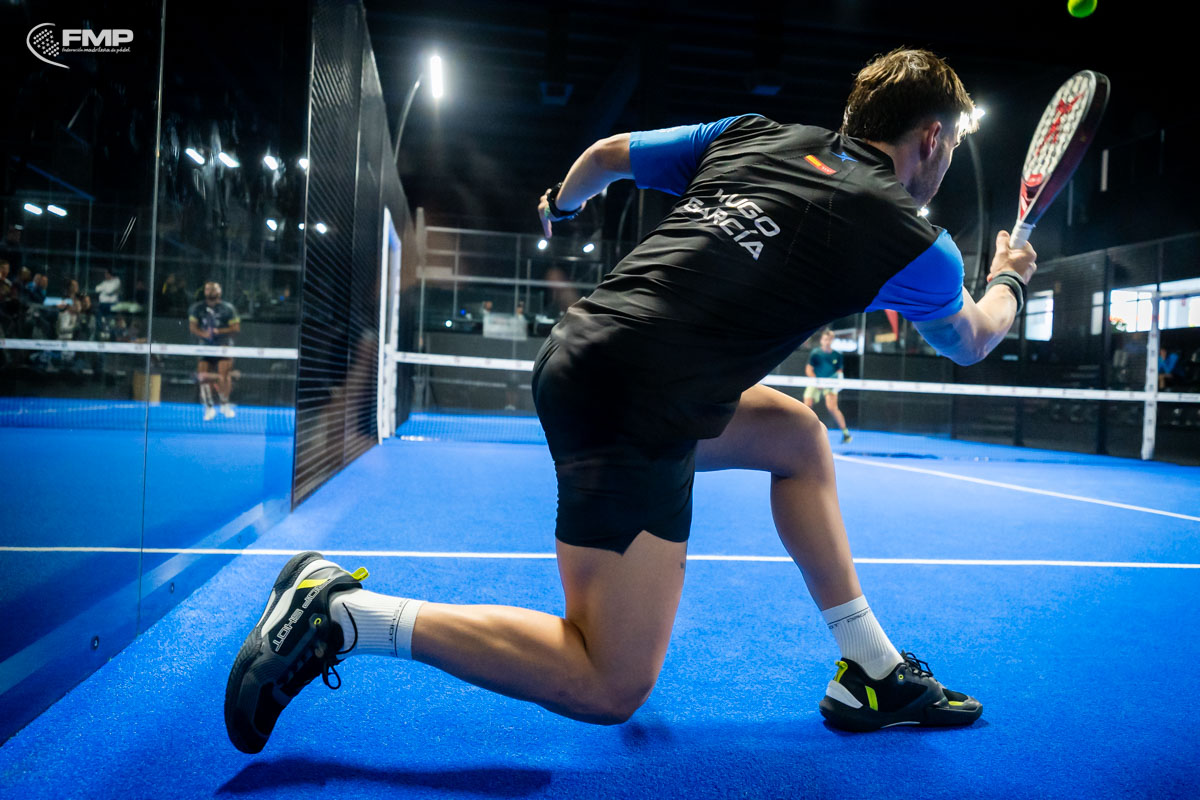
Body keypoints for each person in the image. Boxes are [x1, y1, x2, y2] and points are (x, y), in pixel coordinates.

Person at [225, 48, 1038, 753]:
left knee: (795, 440)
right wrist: (1009, 277)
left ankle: (871, 669)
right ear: (932, 139)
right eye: (953, 144)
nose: (947, 157)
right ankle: (345, 615)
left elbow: (608, 154)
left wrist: (562, 203)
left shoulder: (753, 133)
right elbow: (972, 338)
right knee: (608, 683)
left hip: (582, 349)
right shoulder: (911, 238)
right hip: (639, 399)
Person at [188, 281, 241, 421]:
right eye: (208, 289)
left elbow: (236, 328)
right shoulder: (197, 308)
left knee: (224, 376)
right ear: (205, 291)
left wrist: (219, 331)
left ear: (219, 291)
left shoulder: (228, 308)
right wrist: (204, 334)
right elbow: (193, 327)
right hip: (205, 347)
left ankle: (224, 404)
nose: (211, 291)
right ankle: (209, 408)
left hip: (224, 346)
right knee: (203, 376)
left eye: (214, 289)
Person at [805, 328, 852, 443]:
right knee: (806, 405)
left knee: (832, 407)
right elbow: (809, 370)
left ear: (832, 341)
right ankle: (804, 431)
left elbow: (839, 372)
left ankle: (846, 434)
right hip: (816, 381)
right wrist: (817, 382)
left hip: (831, 383)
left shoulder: (837, 355)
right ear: (821, 340)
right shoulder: (815, 353)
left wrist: (834, 383)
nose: (827, 342)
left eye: (829, 340)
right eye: (825, 339)